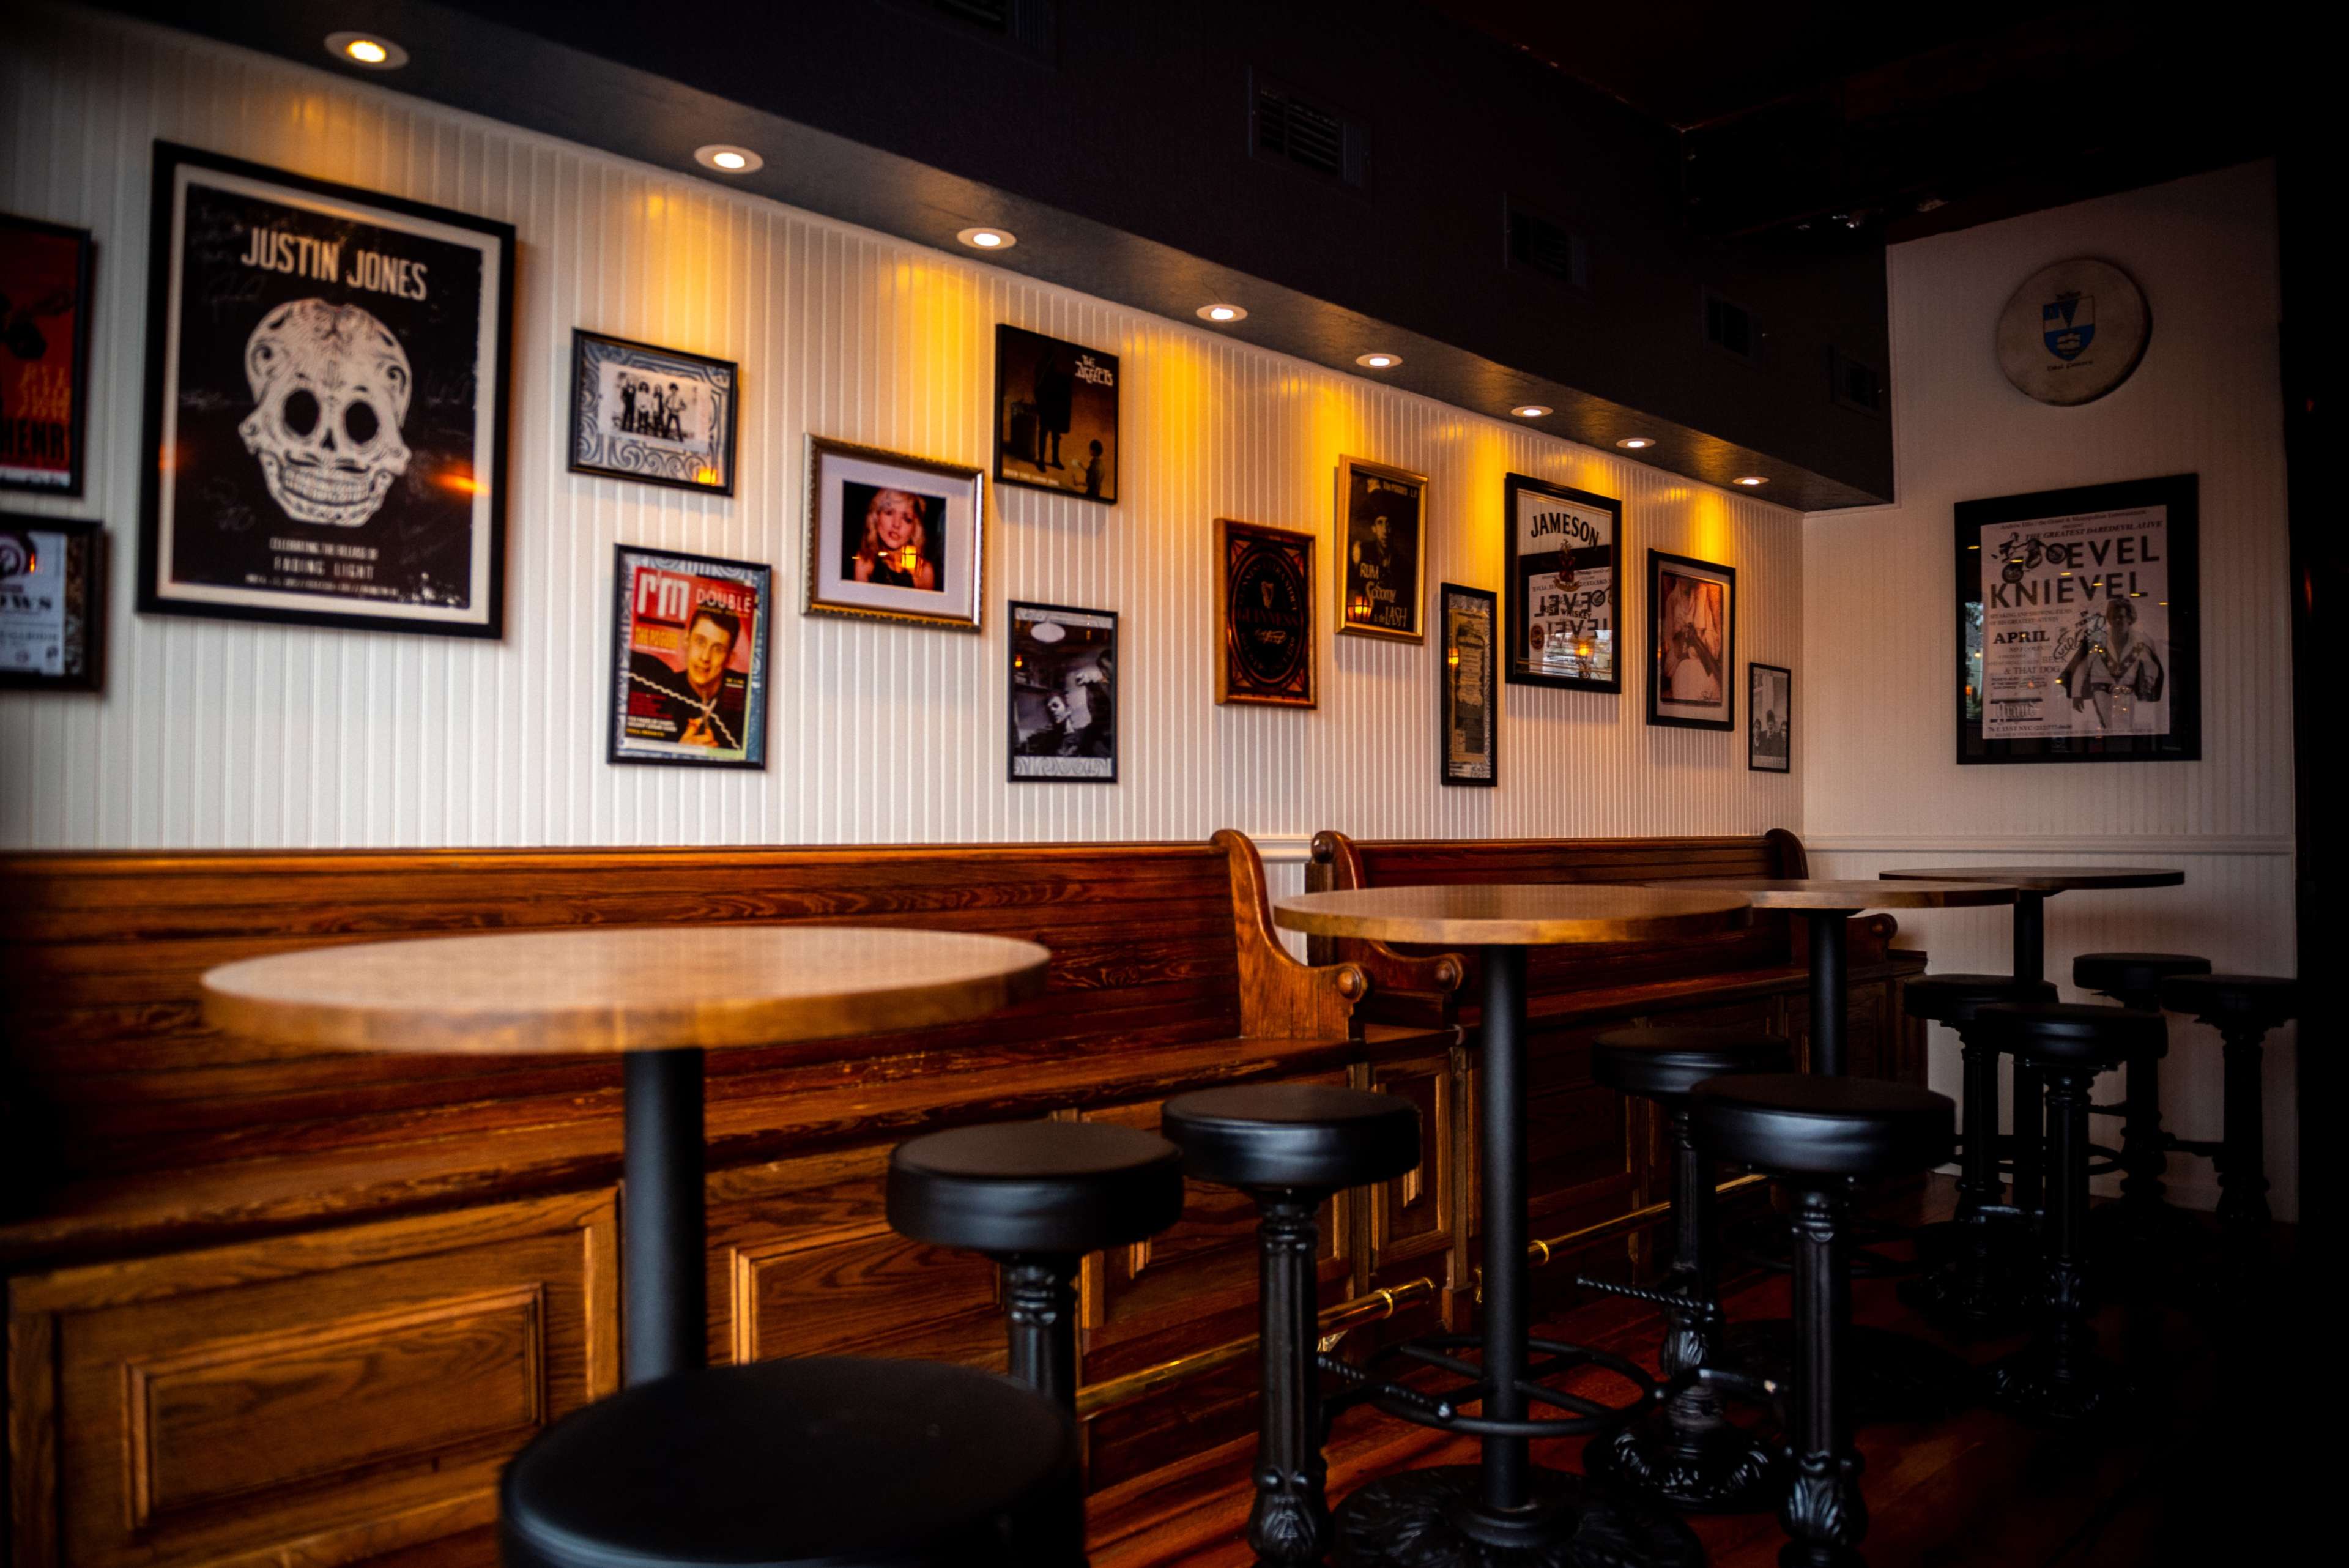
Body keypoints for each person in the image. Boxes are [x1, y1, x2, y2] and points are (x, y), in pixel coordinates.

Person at [626, 602, 748, 751]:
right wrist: (680, 751)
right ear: (686, 641)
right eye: (700, 642)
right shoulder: (660, 692)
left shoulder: (749, 693)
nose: (705, 657)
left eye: (718, 649)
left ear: (730, 658)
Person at [2062, 595, 2164, 729]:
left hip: (2129, 690)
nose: (2117, 620)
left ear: (2129, 618)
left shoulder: (2141, 640)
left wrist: (2149, 679)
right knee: (2106, 727)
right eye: (2113, 617)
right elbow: (2081, 667)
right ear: (2109, 619)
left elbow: (2152, 665)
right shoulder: (2097, 638)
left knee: (2127, 728)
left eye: (2121, 616)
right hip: (2101, 690)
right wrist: (2076, 695)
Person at [850, 488, 939, 590]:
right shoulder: (865, 562)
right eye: (889, 513)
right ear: (876, 517)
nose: (896, 524)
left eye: (907, 519)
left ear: (915, 529)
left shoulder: (924, 572)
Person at [1033, 346, 1074, 470]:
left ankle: (1055, 460)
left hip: (1055, 406)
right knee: (1044, 432)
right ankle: (1041, 461)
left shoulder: (1050, 367)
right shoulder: (1042, 368)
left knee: (1055, 434)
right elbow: (1038, 387)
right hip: (1046, 405)